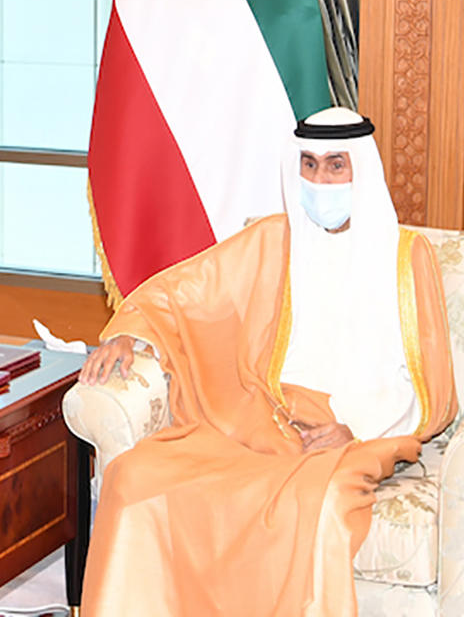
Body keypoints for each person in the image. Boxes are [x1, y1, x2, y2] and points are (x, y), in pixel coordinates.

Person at [77, 107, 456, 617]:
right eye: (309, 164)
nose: (320, 180)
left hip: (347, 438)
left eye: (336, 165)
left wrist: (358, 430)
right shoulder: (273, 240)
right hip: (257, 420)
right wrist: (130, 332)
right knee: (134, 475)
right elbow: (183, 292)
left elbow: (429, 385)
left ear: (362, 168)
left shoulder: (406, 256)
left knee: (316, 507)